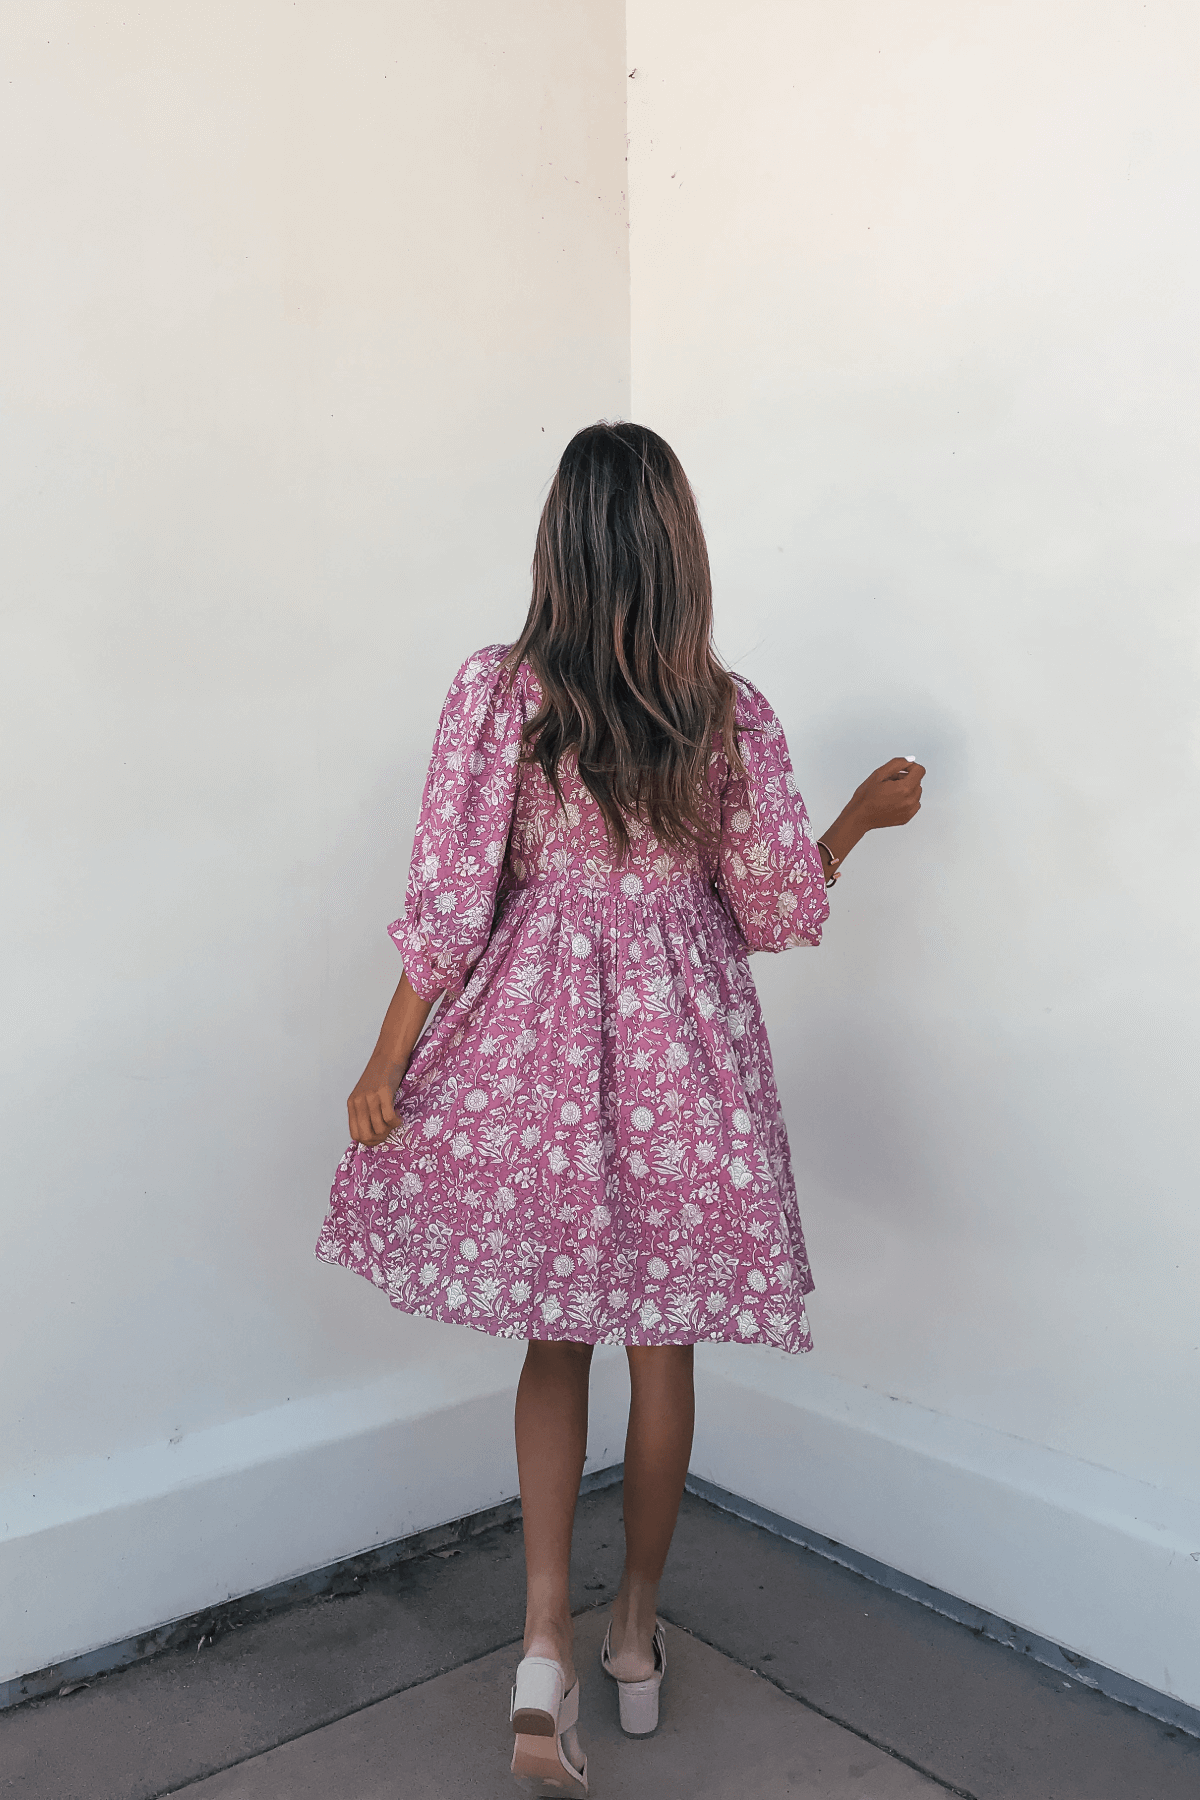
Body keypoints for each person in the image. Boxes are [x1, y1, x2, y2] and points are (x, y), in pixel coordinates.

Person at [315, 422, 924, 1793]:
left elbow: (449, 906)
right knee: (666, 1353)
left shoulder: (495, 693)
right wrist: (858, 822)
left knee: (554, 1338)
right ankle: (635, 1639)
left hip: (535, 1048)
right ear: (678, 544)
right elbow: (770, 906)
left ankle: (543, 1648)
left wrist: (383, 1065)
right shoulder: (724, 709)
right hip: (685, 1053)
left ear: (560, 541)